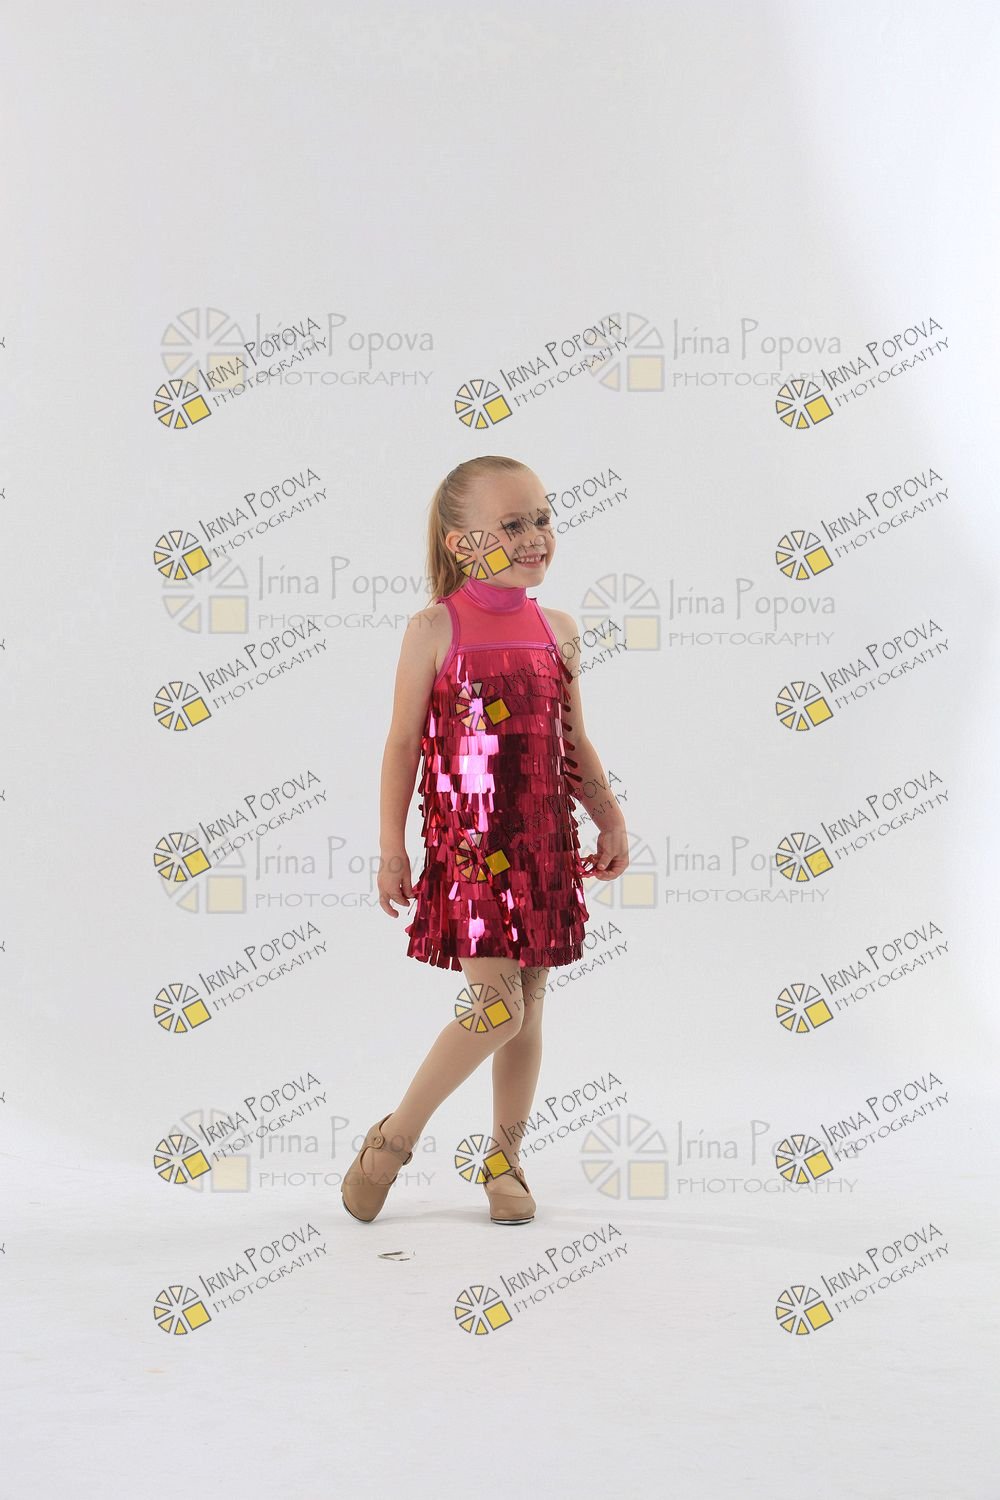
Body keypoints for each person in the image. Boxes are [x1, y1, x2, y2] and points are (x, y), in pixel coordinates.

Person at [341, 455, 629, 1226]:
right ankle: (391, 1142)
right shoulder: (434, 629)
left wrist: (608, 815)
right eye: (512, 525)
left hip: (542, 844)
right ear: (462, 543)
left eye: (542, 518)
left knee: (527, 1009)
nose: (535, 537)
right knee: (495, 1010)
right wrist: (392, 847)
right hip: (470, 850)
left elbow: (573, 738)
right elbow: (402, 744)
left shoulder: (558, 630)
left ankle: (504, 1161)